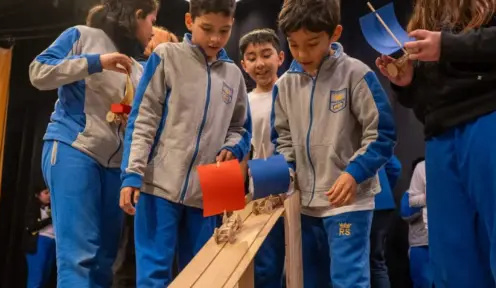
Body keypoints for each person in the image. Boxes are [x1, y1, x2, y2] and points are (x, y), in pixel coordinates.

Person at [119, 0, 251, 286]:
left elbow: (241, 127)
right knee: (153, 277)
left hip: (209, 192)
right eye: (207, 29)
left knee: (203, 278)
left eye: (224, 31)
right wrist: (132, 174)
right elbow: (143, 119)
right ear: (190, 21)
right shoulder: (166, 56)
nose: (215, 38)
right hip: (158, 187)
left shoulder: (234, 76)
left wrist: (233, 147)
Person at [28, 0, 158, 286]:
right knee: (79, 259)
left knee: (103, 262)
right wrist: (96, 62)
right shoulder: (82, 35)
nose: (153, 30)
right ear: (138, 16)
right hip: (74, 149)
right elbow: (38, 72)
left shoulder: (137, 67)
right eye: (151, 20)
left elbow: (121, 112)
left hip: (113, 167)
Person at [273, 0, 397, 287]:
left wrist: (354, 173)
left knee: (348, 281)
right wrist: (287, 171)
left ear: (335, 33)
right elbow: (282, 139)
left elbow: (381, 133)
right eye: (293, 45)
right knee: (310, 281)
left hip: (348, 202)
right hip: (303, 204)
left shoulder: (356, 73)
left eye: (312, 43)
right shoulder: (284, 85)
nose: (302, 54)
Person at [376, 0, 496, 286]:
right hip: (441, 135)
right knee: (451, 259)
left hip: (487, 116)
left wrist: (447, 46)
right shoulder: (424, 15)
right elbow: (426, 102)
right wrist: (407, 82)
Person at [112, 24, 178, 288]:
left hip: (175, 187)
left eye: (159, 48)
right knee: (128, 255)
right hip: (138, 180)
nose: (151, 52)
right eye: (149, 47)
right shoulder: (132, 74)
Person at [239, 28, 285, 288]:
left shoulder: (292, 90)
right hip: (264, 193)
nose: (260, 64)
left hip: (303, 192)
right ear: (244, 65)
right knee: (267, 268)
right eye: (252, 58)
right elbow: (243, 151)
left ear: (280, 57)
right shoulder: (244, 102)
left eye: (266, 55)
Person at [400, 157, 432, 288]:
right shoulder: (409, 195)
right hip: (421, 245)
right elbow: (406, 213)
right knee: (423, 283)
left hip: (444, 244)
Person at [370, 155, 402, 288]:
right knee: (377, 261)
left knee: (352, 258)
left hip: (357, 205)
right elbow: (395, 167)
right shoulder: (374, 137)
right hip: (383, 205)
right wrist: (383, 188)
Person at [24, 188, 55, 288]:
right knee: (36, 278)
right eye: (46, 193)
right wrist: (49, 220)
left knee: (45, 277)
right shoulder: (33, 207)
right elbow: (31, 226)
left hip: (53, 242)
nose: (49, 195)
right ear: (38, 195)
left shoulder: (53, 207)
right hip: (40, 242)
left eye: (50, 192)